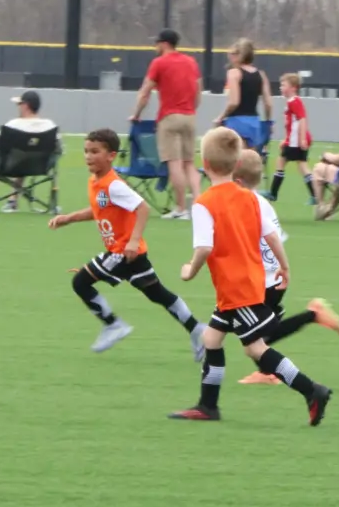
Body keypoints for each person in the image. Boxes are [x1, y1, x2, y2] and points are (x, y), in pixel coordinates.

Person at [169, 127, 333, 424]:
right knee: (211, 338)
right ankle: (208, 406)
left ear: (204, 164)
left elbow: (204, 248)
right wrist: (285, 266)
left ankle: (312, 390)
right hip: (248, 283)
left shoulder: (204, 204)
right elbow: (271, 236)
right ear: (235, 164)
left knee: (255, 349)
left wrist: (188, 271)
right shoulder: (250, 198)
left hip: (236, 288)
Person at [49, 128, 207, 358]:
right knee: (158, 294)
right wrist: (69, 218)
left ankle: (113, 324)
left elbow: (142, 207)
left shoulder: (113, 184)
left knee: (80, 282)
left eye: (95, 151)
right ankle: (196, 329)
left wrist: (132, 241)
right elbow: (98, 210)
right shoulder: (96, 182)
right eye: (86, 151)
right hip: (132, 254)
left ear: (111, 155)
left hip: (122, 251)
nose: (88, 156)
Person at [233, 149, 339, 384]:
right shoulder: (262, 203)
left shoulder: (247, 205)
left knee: (253, 341)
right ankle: (267, 371)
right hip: (273, 278)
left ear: (238, 181)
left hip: (263, 281)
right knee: (255, 337)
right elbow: (275, 238)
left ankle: (312, 315)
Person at [129, 30, 202, 221]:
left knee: (175, 163)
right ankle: (199, 205)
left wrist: (136, 114)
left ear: (163, 44)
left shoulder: (159, 63)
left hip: (169, 117)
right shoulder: (191, 62)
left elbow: (145, 92)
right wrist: (191, 109)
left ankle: (180, 208)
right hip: (189, 116)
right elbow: (197, 91)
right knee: (189, 164)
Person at [263, 73, 316, 204]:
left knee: (281, 162)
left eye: (284, 85)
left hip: (295, 141)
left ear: (293, 87)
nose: (281, 87)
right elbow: (292, 124)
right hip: (293, 140)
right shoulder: (292, 101)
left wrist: (302, 139)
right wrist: (285, 140)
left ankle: (273, 193)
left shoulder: (294, 101)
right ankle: (315, 195)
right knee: (302, 165)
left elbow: (302, 119)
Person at [213, 38, 272, 150]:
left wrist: (220, 117)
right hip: (254, 121)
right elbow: (268, 103)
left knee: (234, 158)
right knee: (250, 159)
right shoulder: (261, 74)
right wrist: (268, 122)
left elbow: (234, 102)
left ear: (238, 55)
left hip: (237, 121)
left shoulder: (234, 73)